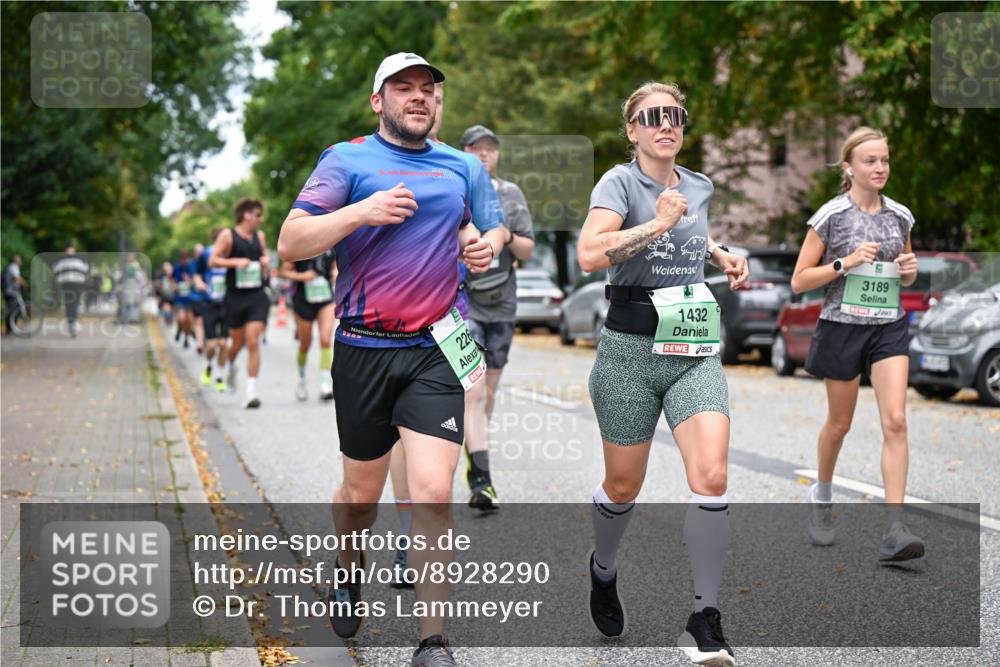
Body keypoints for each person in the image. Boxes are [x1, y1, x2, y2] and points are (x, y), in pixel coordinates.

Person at [278, 52, 502, 667]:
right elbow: (290, 241)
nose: (419, 97)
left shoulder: (460, 166)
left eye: (428, 89)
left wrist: (480, 247)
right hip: (362, 348)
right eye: (403, 88)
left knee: (433, 491)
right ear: (378, 101)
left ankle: (432, 641)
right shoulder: (345, 160)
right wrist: (360, 212)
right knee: (361, 492)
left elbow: (482, 230)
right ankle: (349, 567)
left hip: (435, 347)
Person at [577, 82, 748, 666]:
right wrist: (653, 224)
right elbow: (589, 253)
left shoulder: (698, 185)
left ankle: (704, 617)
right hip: (628, 349)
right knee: (623, 486)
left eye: (674, 115)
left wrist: (720, 253)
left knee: (712, 474)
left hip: (693, 344)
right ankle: (603, 569)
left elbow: (688, 234)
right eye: (652, 117)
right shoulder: (618, 184)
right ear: (633, 130)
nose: (665, 124)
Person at [386, 83, 508, 584]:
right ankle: (403, 532)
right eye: (416, 97)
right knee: (398, 429)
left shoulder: (461, 167)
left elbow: (493, 228)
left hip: (450, 314)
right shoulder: (380, 162)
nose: (427, 106)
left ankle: (449, 500)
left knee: (470, 393)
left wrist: (487, 244)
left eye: (434, 99)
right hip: (391, 323)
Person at [790, 126, 923, 563]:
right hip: (842, 327)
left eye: (885, 160)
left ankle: (895, 528)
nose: (880, 167)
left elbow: (907, 273)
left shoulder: (900, 216)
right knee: (840, 423)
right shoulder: (831, 216)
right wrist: (844, 262)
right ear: (849, 167)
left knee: (897, 420)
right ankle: (822, 496)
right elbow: (800, 280)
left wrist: (908, 268)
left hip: (887, 326)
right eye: (871, 161)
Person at [458, 124, 535, 511]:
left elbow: (528, 250)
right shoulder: (457, 187)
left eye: (490, 148)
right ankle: (482, 482)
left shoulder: (511, 194)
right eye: (475, 148)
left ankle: (475, 451)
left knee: (486, 396)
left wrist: (504, 233)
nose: (484, 154)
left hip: (502, 304)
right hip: (463, 302)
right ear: (466, 152)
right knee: (472, 391)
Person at [210, 198, 272, 409]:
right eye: (257, 215)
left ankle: (251, 392)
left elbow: (264, 263)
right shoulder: (228, 235)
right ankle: (228, 364)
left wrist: (266, 263)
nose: (260, 219)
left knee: (253, 340)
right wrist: (235, 262)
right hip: (235, 297)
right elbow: (213, 260)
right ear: (246, 215)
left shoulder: (260, 237)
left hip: (256, 295)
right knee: (236, 343)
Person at [279, 248, 337, 401]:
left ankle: (325, 385)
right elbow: (284, 272)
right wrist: (302, 276)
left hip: (325, 299)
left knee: (325, 340)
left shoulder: (331, 245)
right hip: (303, 300)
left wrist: (335, 273)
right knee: (306, 343)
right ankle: (301, 379)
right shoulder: (301, 245)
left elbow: (335, 266)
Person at [195, 230, 229, 392]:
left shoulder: (230, 255)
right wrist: (200, 283)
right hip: (209, 303)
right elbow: (196, 275)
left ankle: (220, 376)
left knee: (223, 344)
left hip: (226, 304)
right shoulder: (206, 254)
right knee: (212, 344)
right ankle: (208, 365)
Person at [52, 243, 90, 337]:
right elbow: (86, 270)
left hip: (67, 284)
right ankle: (72, 323)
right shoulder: (80, 260)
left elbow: (55, 270)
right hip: (75, 284)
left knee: (70, 304)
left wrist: (60, 279)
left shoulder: (61, 260)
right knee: (73, 303)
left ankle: (71, 323)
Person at [173, 249, 195, 348]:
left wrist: (189, 281)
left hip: (190, 298)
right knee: (181, 319)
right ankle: (179, 329)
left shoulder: (191, 267)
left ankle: (186, 339)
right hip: (180, 297)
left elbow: (196, 279)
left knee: (189, 320)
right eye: (182, 260)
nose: (184, 262)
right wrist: (174, 286)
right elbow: (172, 279)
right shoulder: (177, 267)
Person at [3, 254, 27, 334]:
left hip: (9, 292)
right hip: (11, 292)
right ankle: (10, 329)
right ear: (16, 261)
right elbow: (17, 278)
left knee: (14, 310)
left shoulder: (11, 267)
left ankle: (11, 328)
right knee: (14, 310)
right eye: (19, 259)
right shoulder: (13, 267)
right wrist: (25, 284)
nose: (20, 261)